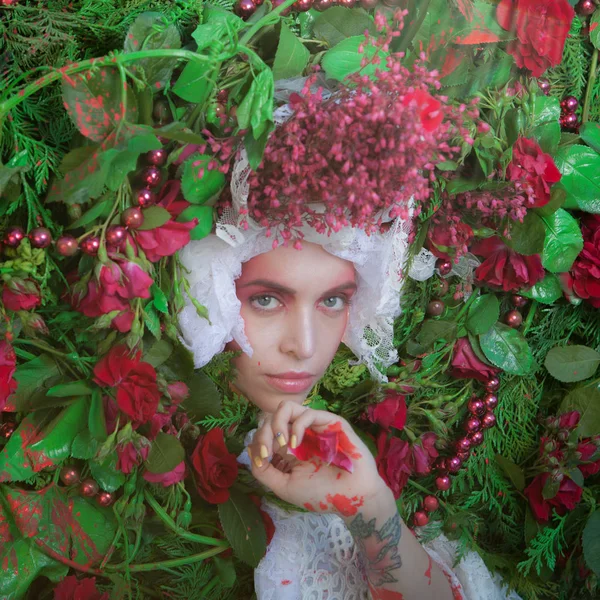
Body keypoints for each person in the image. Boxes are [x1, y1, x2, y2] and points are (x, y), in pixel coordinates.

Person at [179, 78, 522, 600]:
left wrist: (371, 507)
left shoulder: (354, 459)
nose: (306, 345)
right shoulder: (162, 467)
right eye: (266, 299)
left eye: (333, 300)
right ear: (210, 291)